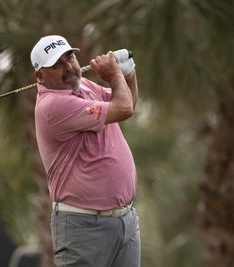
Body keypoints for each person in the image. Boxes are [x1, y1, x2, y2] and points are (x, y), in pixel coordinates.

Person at [31, 35, 140, 267]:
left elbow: (127, 101)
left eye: (69, 57)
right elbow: (124, 108)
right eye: (57, 64)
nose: (69, 67)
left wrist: (128, 72)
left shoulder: (84, 86)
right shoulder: (52, 106)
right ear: (40, 76)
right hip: (83, 227)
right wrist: (115, 75)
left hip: (125, 220)